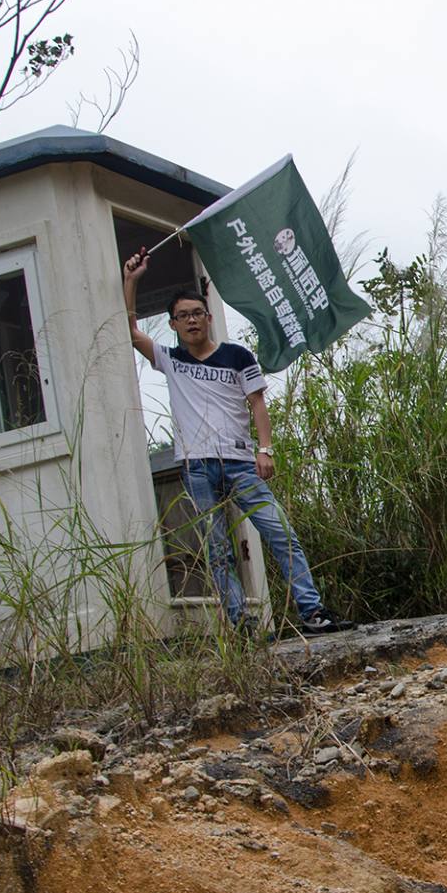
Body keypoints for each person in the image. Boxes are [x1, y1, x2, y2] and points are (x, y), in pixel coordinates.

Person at [123, 246, 353, 636]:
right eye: (183, 316)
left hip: (241, 463)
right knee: (217, 549)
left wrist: (266, 449)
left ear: (209, 317)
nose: (192, 320)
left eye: (197, 313)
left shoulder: (236, 356)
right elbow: (129, 331)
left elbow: (258, 405)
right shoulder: (171, 361)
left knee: (281, 533)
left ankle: (312, 612)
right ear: (173, 324)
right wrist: (131, 279)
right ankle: (242, 626)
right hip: (197, 467)